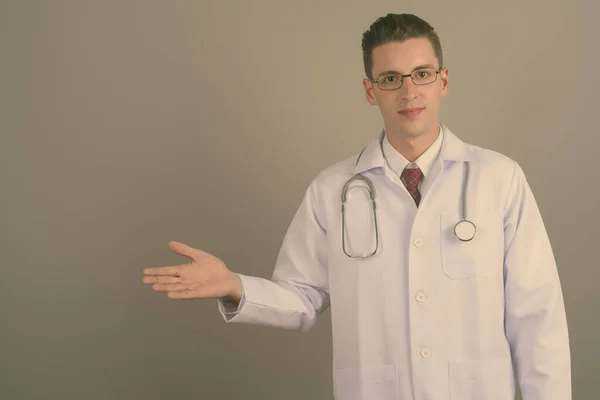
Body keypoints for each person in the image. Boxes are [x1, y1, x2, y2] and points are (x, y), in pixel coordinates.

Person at [143, 13, 571, 400]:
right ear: (371, 91)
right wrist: (235, 285)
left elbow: (537, 314)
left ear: (443, 81)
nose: (408, 92)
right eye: (390, 78)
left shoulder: (498, 179)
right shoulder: (332, 190)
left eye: (421, 74)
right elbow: (302, 298)